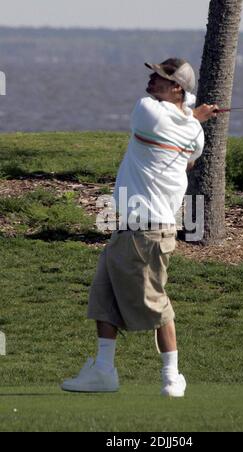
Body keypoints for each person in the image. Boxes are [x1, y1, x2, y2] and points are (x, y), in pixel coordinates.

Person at [62, 58, 218, 397]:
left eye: (160, 76)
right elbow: (191, 156)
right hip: (130, 230)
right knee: (103, 298)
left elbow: (173, 115)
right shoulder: (194, 131)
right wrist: (194, 115)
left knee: (157, 305)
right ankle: (104, 371)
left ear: (176, 87)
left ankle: (172, 377)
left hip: (147, 233)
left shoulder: (147, 110)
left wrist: (193, 113)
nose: (151, 79)